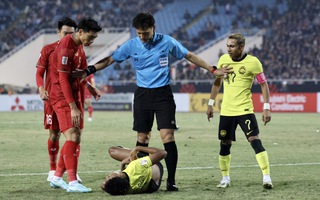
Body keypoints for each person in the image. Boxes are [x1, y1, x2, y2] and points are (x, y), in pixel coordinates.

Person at [73, 12, 232, 191]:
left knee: (168, 137)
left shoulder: (167, 42)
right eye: (139, 33)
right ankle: (142, 174)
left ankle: (171, 181)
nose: (142, 37)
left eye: (145, 33)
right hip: (143, 95)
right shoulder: (132, 45)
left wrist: (213, 70)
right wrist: (88, 71)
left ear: (153, 28)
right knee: (142, 137)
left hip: (163, 94)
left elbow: (189, 56)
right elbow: (110, 59)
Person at [206, 33, 273, 189]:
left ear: (241, 47)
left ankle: (267, 177)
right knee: (224, 144)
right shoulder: (223, 60)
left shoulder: (253, 62)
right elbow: (217, 82)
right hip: (227, 111)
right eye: (227, 46)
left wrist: (266, 108)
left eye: (232, 46)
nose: (229, 49)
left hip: (245, 110)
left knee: (255, 141)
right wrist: (210, 103)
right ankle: (225, 178)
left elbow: (264, 85)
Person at [48, 17, 102, 193]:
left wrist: (89, 87)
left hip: (73, 93)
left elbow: (78, 74)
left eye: (94, 37)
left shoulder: (80, 46)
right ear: (80, 32)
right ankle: (72, 182)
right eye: (90, 36)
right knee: (72, 135)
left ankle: (57, 177)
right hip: (61, 96)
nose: (92, 40)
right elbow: (63, 79)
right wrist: (72, 106)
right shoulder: (65, 47)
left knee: (76, 136)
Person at [35, 17, 83, 183]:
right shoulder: (48, 49)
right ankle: (52, 169)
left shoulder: (78, 49)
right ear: (58, 32)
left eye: (71, 33)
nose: (68, 36)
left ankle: (70, 170)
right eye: (65, 33)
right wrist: (41, 88)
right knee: (54, 134)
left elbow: (81, 72)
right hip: (52, 98)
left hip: (69, 97)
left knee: (74, 134)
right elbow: (39, 73)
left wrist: (90, 87)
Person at [101, 146, 167, 195]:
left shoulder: (124, 190)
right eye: (109, 177)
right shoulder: (135, 166)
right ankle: (126, 149)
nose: (108, 175)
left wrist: (122, 165)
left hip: (153, 187)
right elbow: (163, 153)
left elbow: (105, 186)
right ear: (120, 175)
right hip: (156, 168)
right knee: (113, 151)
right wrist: (138, 148)